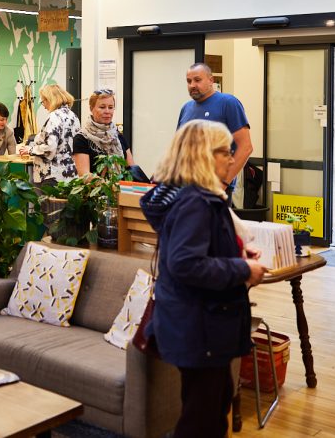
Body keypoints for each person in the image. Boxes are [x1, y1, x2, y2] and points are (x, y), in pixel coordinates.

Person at [140, 120, 268, 437]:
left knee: (213, 406)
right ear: (205, 156)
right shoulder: (196, 203)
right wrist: (242, 270)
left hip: (199, 325)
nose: (231, 158)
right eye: (226, 151)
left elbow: (198, 253)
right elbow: (186, 263)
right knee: (201, 422)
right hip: (199, 326)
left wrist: (236, 257)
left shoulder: (194, 199)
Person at [176, 63, 253, 193]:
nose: (192, 85)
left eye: (197, 80)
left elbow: (246, 147)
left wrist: (222, 184)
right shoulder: (186, 108)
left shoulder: (228, 103)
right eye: (189, 81)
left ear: (211, 80)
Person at [21, 83, 81, 184]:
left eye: (43, 101)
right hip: (69, 174)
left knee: (46, 200)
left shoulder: (54, 117)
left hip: (51, 175)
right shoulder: (73, 116)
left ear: (50, 99)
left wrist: (31, 150)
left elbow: (50, 148)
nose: (43, 105)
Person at [73, 88, 134, 176]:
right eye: (102, 107)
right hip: (96, 189)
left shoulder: (118, 136)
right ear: (91, 108)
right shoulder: (81, 139)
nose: (107, 111)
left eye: (110, 107)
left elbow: (132, 168)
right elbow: (84, 175)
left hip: (122, 189)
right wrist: (109, 186)